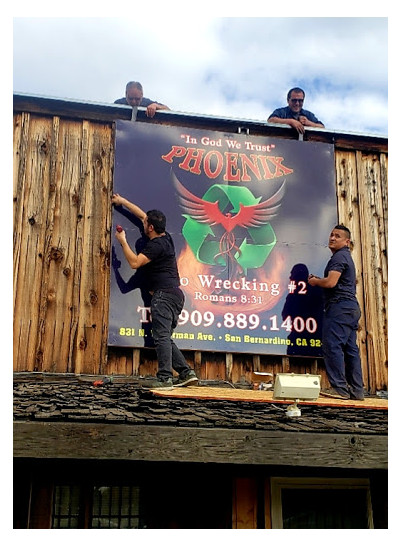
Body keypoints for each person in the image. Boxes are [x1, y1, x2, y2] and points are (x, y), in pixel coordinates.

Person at [112, 193, 198, 390]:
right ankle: (186, 373)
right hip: (175, 295)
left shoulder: (155, 246)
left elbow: (134, 263)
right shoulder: (165, 237)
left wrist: (123, 241)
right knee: (164, 336)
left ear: (150, 228)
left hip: (164, 296)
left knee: (160, 337)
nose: (143, 223)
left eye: (146, 223)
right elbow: (143, 216)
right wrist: (123, 202)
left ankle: (165, 377)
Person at [308, 225, 364, 400]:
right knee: (350, 349)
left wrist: (316, 281)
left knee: (333, 345)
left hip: (339, 307)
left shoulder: (339, 257)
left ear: (346, 241)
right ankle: (357, 390)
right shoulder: (345, 257)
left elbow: (331, 283)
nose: (332, 238)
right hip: (351, 308)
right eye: (331, 235)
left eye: (337, 236)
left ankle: (339, 388)